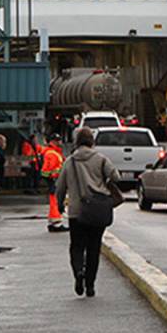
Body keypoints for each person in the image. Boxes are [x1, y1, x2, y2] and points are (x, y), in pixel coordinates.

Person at [55, 127, 121, 297]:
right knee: (94, 248)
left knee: (76, 246)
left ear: (76, 142)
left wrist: (60, 204)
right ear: (92, 141)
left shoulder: (69, 162)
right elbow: (116, 177)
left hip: (76, 212)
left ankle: (78, 272)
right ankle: (90, 285)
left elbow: (60, 186)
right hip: (97, 210)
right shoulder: (101, 159)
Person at [41, 134, 66, 232]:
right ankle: (56, 223)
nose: (60, 142)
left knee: (54, 202)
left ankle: (53, 222)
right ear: (53, 141)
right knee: (55, 202)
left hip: (54, 181)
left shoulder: (53, 152)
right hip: (55, 181)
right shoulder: (52, 154)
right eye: (58, 140)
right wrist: (57, 175)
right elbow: (48, 170)